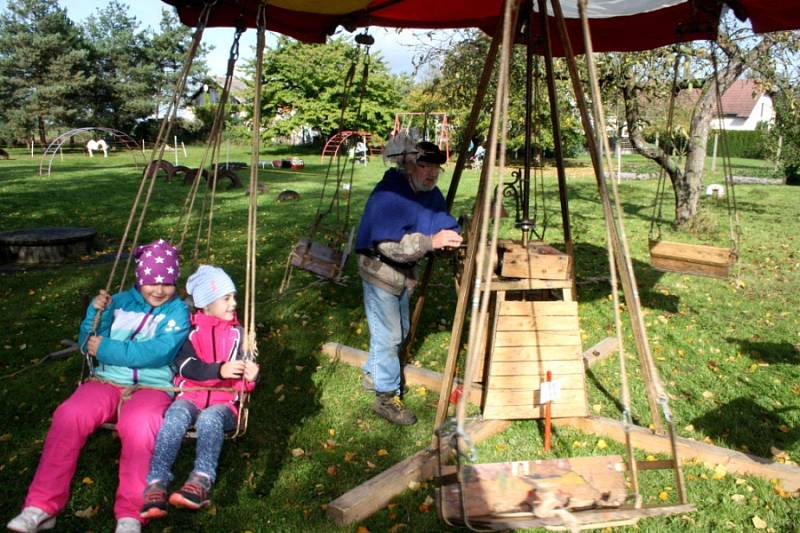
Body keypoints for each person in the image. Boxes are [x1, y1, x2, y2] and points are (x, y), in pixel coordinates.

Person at [7, 240, 189, 533]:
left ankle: (131, 514)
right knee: (69, 415)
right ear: (140, 278)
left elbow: (159, 352)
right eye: (152, 281)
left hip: (151, 387)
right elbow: (87, 342)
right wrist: (95, 313)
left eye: (167, 282)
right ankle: (41, 506)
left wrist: (106, 349)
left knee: (142, 426)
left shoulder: (177, 311)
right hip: (105, 381)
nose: (159, 289)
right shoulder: (117, 303)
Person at [355, 138, 463, 425]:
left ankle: (373, 373)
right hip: (379, 269)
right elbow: (389, 245)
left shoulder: (429, 193)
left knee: (397, 331)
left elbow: (442, 223)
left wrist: (452, 239)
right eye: (424, 165)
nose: (430, 173)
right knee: (389, 335)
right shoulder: (389, 195)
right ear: (408, 165)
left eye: (436, 168)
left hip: (402, 274)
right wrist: (430, 241)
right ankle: (386, 397)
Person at [140, 265, 258, 520]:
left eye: (233, 297)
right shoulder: (190, 333)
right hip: (190, 397)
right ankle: (156, 482)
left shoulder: (240, 336)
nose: (233, 303)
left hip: (224, 405)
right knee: (175, 416)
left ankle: (201, 481)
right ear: (205, 305)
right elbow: (187, 366)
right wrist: (220, 370)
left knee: (209, 419)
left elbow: (244, 383)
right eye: (226, 298)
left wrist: (251, 378)